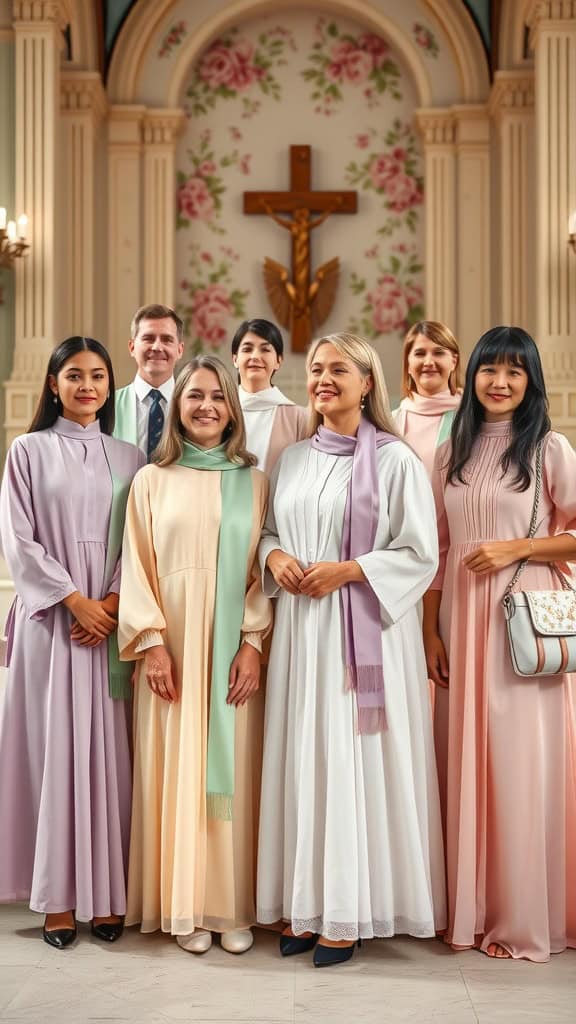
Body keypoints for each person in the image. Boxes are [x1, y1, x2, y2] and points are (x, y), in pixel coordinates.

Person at [257, 333, 446, 967]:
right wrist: (276, 556)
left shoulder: (394, 461)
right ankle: (306, 905)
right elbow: (270, 532)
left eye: (339, 368)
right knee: (308, 759)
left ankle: (349, 911)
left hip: (362, 636)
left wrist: (349, 570)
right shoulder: (291, 460)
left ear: (368, 383)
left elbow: (420, 554)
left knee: (351, 763)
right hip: (302, 639)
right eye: (315, 369)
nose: (323, 378)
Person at [423, 326, 576, 962]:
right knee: (461, 761)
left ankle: (521, 917)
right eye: (491, 370)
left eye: (515, 371)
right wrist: (431, 628)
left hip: (520, 621)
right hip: (458, 619)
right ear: (473, 375)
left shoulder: (549, 448)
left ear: (531, 380)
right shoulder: (447, 450)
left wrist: (518, 547)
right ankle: (467, 909)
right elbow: (432, 546)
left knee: (519, 768)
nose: (500, 382)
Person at [118, 355, 271, 956]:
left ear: (233, 407)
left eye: (217, 396)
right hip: (172, 652)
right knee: (178, 774)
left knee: (229, 778)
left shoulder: (254, 482)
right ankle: (184, 905)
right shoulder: (151, 481)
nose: (206, 406)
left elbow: (262, 570)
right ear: (176, 408)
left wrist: (254, 644)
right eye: (193, 397)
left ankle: (229, 907)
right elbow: (136, 564)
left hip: (232, 651)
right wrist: (152, 643)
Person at [0, 337, 143, 949]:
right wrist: (73, 601)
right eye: (75, 375)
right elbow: (18, 536)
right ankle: (58, 899)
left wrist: (110, 603)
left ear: (110, 386)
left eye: (98, 376)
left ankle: (107, 895)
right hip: (52, 624)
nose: (87, 386)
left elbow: (142, 540)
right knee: (52, 751)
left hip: (110, 625)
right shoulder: (27, 450)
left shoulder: (132, 456)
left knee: (109, 756)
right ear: (54, 384)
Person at [232, 318, 308, 474]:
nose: (255, 356)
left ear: (278, 361)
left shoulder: (299, 418)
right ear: (235, 359)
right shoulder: (221, 411)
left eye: (265, 350)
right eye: (247, 349)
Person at [114, 304, 184, 460]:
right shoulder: (108, 406)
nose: (157, 347)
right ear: (132, 347)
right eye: (148, 338)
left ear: (180, 350)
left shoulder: (192, 407)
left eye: (167, 340)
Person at [392, 321, 462, 477]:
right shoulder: (389, 423)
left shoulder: (473, 418)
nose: (429, 362)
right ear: (408, 364)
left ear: (453, 361)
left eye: (438, 352)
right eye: (420, 353)